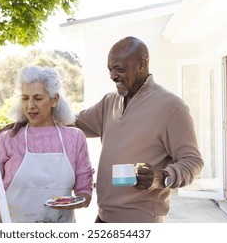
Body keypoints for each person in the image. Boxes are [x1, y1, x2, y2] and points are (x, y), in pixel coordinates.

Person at [74, 36, 204, 223]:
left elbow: (193, 162)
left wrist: (161, 177)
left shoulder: (171, 107)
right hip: (103, 217)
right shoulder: (109, 102)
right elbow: (74, 123)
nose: (113, 76)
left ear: (142, 65)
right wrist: (29, 120)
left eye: (119, 69)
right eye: (110, 70)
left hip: (141, 221)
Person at [0, 66, 94, 223]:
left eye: (38, 98)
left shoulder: (75, 138)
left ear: (54, 100)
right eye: (25, 98)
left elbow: (84, 189)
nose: (30, 106)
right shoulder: (7, 139)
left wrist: (79, 200)